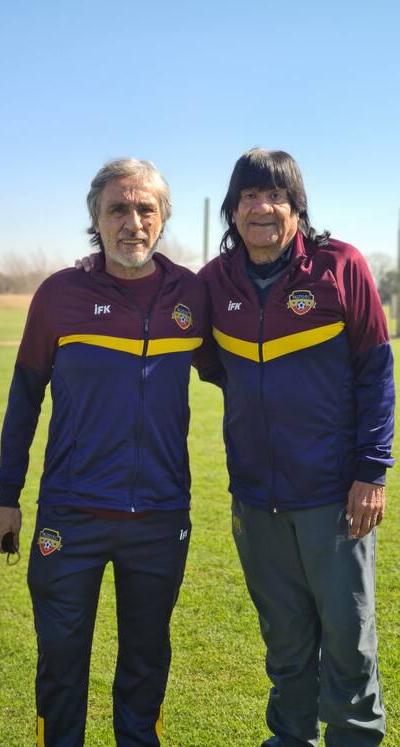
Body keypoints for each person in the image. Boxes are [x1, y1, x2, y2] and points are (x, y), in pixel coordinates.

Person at [0, 158, 207, 747]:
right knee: (60, 668)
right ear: (96, 218)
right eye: (118, 208)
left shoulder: (192, 294)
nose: (132, 222)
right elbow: (24, 398)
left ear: (162, 220)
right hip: (70, 517)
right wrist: (6, 497)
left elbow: (247, 376)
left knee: (144, 669)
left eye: (145, 209)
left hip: (160, 519)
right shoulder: (60, 294)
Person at [194, 148, 395, 747]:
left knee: (347, 641)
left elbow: (376, 376)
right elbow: (212, 364)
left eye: (275, 196)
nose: (262, 207)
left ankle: (356, 737)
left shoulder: (340, 267)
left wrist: (372, 471)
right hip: (256, 499)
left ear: (297, 209)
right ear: (232, 210)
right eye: (249, 197)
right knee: (284, 643)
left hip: (334, 496)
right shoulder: (214, 282)